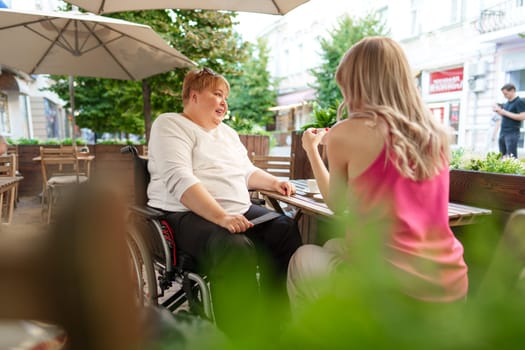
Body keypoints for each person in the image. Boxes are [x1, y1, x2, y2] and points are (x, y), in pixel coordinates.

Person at [287, 37, 468, 308]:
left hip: (390, 292)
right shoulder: (434, 133)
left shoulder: (346, 132)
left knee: (301, 259)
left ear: (357, 84)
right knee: (332, 248)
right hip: (448, 285)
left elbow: (337, 204)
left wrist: (311, 150)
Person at [147, 67, 302, 338]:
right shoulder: (170, 124)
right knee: (235, 247)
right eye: (217, 94)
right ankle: (242, 336)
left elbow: (246, 171)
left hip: (234, 210)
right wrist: (220, 216)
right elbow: (179, 178)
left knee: (284, 229)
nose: (224, 102)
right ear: (193, 96)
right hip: (184, 212)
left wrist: (273, 183)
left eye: (226, 97)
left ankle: (276, 321)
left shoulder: (227, 133)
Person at [493, 83, 525, 158]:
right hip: (503, 131)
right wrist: (499, 112)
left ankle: (513, 169)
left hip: (512, 132)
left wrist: (504, 112)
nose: (504, 96)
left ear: (513, 91)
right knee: (502, 155)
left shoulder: (519, 102)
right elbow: (507, 116)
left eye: (506, 94)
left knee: (511, 156)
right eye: (503, 94)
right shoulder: (507, 103)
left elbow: (523, 116)